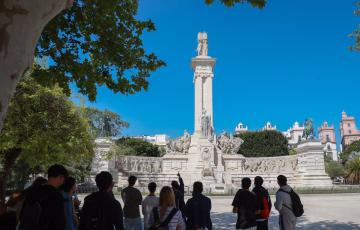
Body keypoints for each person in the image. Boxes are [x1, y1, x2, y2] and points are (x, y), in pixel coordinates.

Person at [19, 164, 68, 230]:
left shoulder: (32, 191)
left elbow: (22, 213)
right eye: (64, 180)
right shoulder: (56, 195)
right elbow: (59, 222)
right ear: (61, 177)